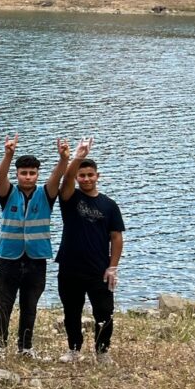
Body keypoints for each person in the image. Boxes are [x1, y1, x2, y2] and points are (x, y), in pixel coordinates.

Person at [0, 136, 70, 360]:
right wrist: (8, 155)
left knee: (30, 304)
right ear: (17, 175)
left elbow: (58, 176)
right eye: (23, 173)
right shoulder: (8, 194)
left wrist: (63, 158)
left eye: (32, 173)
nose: (27, 177)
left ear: (37, 175)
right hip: (9, 257)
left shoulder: (46, 194)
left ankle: (25, 347)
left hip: (36, 258)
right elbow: (0, 177)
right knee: (4, 303)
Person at [56, 138, 125, 365]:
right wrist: (77, 156)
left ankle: (102, 352)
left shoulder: (109, 205)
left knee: (104, 312)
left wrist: (112, 267)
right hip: (70, 266)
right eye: (82, 175)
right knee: (71, 311)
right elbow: (65, 181)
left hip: (98, 268)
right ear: (77, 178)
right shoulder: (70, 198)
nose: (86, 179)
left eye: (90, 175)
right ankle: (74, 349)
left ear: (98, 176)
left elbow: (116, 237)